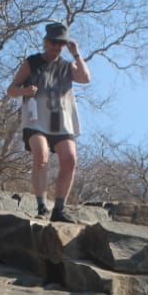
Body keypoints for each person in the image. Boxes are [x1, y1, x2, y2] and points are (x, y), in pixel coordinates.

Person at [6, 21, 90, 223]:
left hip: (61, 121)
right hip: (36, 120)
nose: (56, 47)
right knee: (41, 156)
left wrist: (76, 54)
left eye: (60, 43)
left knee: (70, 160)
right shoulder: (32, 62)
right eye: (53, 42)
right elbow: (11, 89)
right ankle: (42, 206)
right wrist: (25, 91)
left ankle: (59, 209)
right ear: (45, 42)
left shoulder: (67, 66)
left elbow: (85, 78)